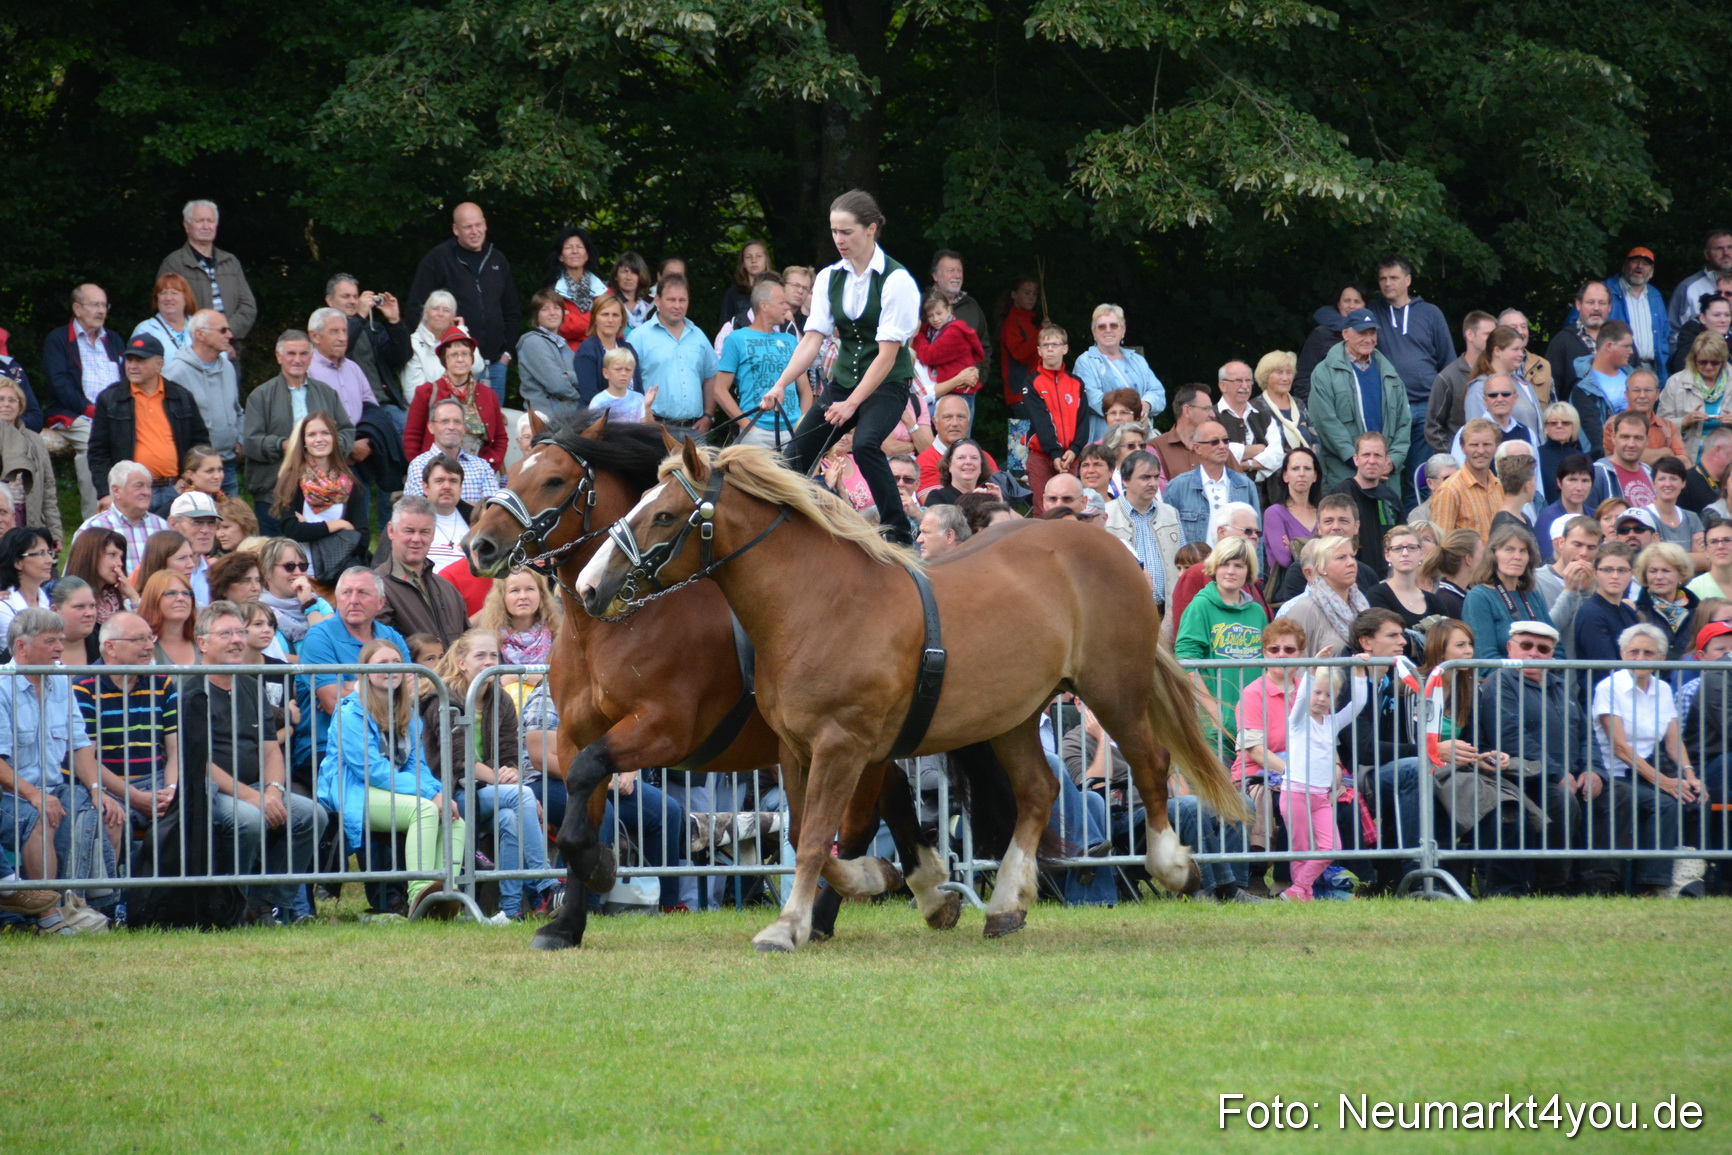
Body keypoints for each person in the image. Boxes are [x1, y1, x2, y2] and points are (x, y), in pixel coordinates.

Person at [757, 192, 921, 543]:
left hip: (887, 384)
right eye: (834, 231)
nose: (838, 239)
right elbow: (811, 340)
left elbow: (887, 356)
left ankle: (899, 535)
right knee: (793, 457)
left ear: (871, 229)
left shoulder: (897, 281)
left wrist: (852, 404)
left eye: (846, 232)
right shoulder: (829, 277)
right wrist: (781, 384)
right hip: (844, 381)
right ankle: (790, 533)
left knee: (866, 445)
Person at [189, 601, 324, 923]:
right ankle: (230, 907)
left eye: (239, 632)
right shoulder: (190, 689)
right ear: (202, 643)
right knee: (249, 819)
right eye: (226, 634)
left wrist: (273, 792)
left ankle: (265, 904)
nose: (237, 640)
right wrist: (253, 797)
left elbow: (271, 749)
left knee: (312, 815)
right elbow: (199, 761)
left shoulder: (251, 685)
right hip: (211, 791)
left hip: (257, 787)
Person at [318, 637, 462, 919]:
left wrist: (439, 793)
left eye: (396, 662)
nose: (391, 668)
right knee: (424, 809)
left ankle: (445, 895)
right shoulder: (350, 713)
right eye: (382, 663)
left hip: (393, 789)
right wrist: (428, 795)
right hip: (354, 791)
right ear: (364, 671)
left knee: (454, 819)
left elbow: (418, 766)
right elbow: (371, 770)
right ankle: (420, 893)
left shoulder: (408, 715)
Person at [0, 609, 123, 928]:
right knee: (41, 815)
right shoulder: (1, 685)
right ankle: (49, 916)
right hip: (10, 796)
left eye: (61, 640)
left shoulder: (60, 681)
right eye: (50, 641)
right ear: (22, 646)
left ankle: (99, 909)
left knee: (110, 812)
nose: (59, 647)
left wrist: (97, 790)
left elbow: (80, 745)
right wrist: (35, 795)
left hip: (54, 788)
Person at [420, 630, 554, 920]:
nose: (489, 661)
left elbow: (510, 754)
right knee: (522, 797)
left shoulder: (501, 699)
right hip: (452, 793)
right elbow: (459, 761)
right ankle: (547, 885)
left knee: (511, 817)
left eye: (493, 655)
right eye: (480, 655)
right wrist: (506, 782)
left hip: (489, 792)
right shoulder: (442, 698)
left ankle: (511, 909)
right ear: (462, 663)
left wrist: (512, 773)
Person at [1590, 624, 1700, 896]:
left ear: (1661, 658)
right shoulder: (1608, 687)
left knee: (1695, 797)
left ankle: (1695, 878)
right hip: (1613, 774)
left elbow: (1673, 741)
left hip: (1644, 773)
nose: (1640, 658)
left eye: (1648, 653)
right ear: (1622, 654)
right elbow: (1619, 748)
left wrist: (1690, 776)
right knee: (1665, 804)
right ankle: (1652, 885)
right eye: (1634, 651)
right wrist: (1664, 781)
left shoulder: (1663, 688)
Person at [75, 611, 180, 867]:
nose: (149, 647)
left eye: (150, 638)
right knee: (110, 817)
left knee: (201, 806)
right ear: (110, 647)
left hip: (158, 782)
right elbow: (87, 760)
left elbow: (176, 749)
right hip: (109, 786)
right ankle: (115, 892)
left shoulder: (162, 682)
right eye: (138, 640)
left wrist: (171, 790)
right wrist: (134, 797)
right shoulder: (84, 686)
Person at [294, 567, 409, 769]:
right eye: (346, 592)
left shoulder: (391, 637)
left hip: (388, 744)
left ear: (380, 602)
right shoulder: (319, 637)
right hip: (328, 748)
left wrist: (352, 688)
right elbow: (332, 703)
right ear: (337, 599)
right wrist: (385, 690)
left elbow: (410, 693)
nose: (353, 600)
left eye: (363, 593)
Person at [241, 330, 354, 534]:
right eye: (291, 354)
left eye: (303, 354)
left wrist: (330, 447)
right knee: (277, 551)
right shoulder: (261, 396)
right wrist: (283, 445)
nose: (297, 359)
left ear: (311, 357)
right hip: (274, 492)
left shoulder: (327, 393)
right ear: (279, 357)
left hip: (325, 495)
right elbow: (251, 442)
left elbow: (347, 430)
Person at [1277, 654, 1369, 902]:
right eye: (1317, 692)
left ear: (1334, 699)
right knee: (1300, 850)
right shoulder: (1297, 721)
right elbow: (1301, 700)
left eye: (1328, 695)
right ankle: (1303, 893)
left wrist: (1359, 669)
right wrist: (1311, 668)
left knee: (1331, 847)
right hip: (1295, 793)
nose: (1321, 699)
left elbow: (1359, 704)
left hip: (1321, 797)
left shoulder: (1332, 723)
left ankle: (1298, 888)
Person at [87, 336, 211, 518]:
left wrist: (188, 479)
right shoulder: (110, 399)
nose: (132, 366)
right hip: (130, 491)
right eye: (129, 359)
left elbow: (200, 444)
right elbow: (98, 452)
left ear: (159, 364)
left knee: (176, 537)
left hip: (175, 489)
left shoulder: (181, 396)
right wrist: (105, 493)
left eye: (140, 360)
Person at [406, 202, 520, 396]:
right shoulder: (438, 259)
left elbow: (512, 310)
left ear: (485, 224)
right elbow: (415, 309)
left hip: (495, 365)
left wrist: (507, 354)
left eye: (478, 225)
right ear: (455, 229)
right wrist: (437, 353)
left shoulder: (497, 260)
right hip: (455, 365)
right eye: (468, 227)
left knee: (492, 415)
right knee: (454, 415)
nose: (475, 231)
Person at [1175, 536, 1267, 759]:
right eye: (1224, 564)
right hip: (1213, 728)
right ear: (1214, 567)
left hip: (1252, 726)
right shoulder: (1200, 606)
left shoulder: (1257, 612)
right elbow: (1186, 663)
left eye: (1239, 565)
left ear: (1249, 571)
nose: (1231, 571)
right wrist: (1214, 712)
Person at [1368, 257, 1455, 490]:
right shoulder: (1373, 312)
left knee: (1421, 476)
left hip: (1427, 405)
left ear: (1408, 280)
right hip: (1390, 408)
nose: (1387, 283)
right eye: (1383, 278)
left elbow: (1448, 362)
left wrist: (1446, 406)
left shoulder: (1430, 313)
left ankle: (1418, 515)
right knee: (1386, 474)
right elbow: (1340, 316)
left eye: (1393, 278)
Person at [40, 284, 123, 518]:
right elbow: (59, 385)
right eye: (95, 305)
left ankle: (130, 514)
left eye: (104, 305)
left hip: (115, 414)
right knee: (92, 442)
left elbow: (127, 378)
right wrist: (92, 410)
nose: (101, 310)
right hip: (75, 414)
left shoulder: (113, 339)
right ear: (77, 309)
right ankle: (95, 519)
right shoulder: (58, 339)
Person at [1308, 307, 1412, 491]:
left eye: (1372, 333)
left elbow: (1404, 422)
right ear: (1345, 334)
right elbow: (1325, 422)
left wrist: (1392, 461)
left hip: (1386, 477)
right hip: (1344, 474)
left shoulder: (1390, 373)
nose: (1368, 339)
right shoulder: (1324, 373)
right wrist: (1356, 460)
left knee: (1388, 512)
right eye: (1361, 333)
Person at [1230, 618, 1307, 868]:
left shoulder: (1310, 692)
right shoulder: (1253, 693)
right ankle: (1284, 877)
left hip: (1300, 773)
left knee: (1345, 799)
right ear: (1265, 653)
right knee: (1294, 799)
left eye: (1289, 649)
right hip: (1256, 775)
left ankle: (1357, 876)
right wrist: (1298, 775)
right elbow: (1256, 752)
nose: (1281, 655)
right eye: (1274, 649)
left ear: (1301, 654)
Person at [270, 412, 370, 579]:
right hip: (301, 571)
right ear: (304, 441)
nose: (319, 439)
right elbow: (293, 531)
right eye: (311, 435)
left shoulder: (350, 483)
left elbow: (362, 538)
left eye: (325, 433)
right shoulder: (291, 480)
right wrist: (339, 525)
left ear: (334, 438)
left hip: (340, 572)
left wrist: (311, 529)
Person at [402, 327, 507, 473]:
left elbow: (500, 437)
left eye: (465, 354)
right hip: (436, 472)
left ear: (472, 359)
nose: (460, 359)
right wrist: (424, 471)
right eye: (453, 355)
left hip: (477, 471)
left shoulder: (488, 395)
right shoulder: (426, 393)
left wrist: (489, 466)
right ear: (444, 360)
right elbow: (412, 437)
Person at [714, 280, 804, 450]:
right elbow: (719, 390)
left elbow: (805, 389)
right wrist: (747, 426)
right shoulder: (736, 339)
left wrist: (802, 425)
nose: (787, 307)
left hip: (792, 430)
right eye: (781, 303)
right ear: (764, 306)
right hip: (756, 432)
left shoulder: (791, 340)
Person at [161, 310, 243, 495]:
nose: (230, 335)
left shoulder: (228, 368)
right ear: (200, 334)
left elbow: (237, 410)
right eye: (223, 330)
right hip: (196, 472)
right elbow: (166, 427)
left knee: (232, 514)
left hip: (227, 466)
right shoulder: (175, 374)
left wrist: (240, 439)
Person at [156, 200, 257, 343]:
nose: (206, 226)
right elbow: (168, 309)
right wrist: (206, 339)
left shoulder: (230, 262)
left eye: (210, 221)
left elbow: (248, 306)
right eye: (199, 221)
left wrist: (226, 333)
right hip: (191, 348)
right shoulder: (174, 263)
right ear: (187, 226)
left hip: (230, 346)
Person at [626, 274, 718, 429]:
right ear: (657, 301)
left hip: (694, 429)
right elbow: (626, 382)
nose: (677, 306)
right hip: (653, 426)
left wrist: (709, 415)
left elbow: (711, 376)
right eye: (671, 300)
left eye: (682, 300)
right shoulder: (638, 337)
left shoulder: (698, 336)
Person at [375, 496, 467, 645]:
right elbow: (382, 650)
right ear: (391, 531)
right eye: (409, 531)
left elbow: (466, 645)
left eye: (424, 532)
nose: (416, 539)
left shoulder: (449, 590)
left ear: (433, 535)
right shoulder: (375, 588)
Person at [1020, 324, 1088, 515]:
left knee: (1069, 510)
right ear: (1039, 351)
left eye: (1055, 344)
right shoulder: (1032, 383)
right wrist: (1055, 452)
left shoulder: (1076, 383)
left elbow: (1083, 420)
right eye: (1045, 345)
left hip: (1070, 457)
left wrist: (1075, 449)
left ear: (1065, 349)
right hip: (1041, 456)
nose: (1050, 349)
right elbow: (1040, 421)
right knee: (1043, 511)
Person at [1074, 304, 1164, 445]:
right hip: (1106, 440)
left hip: (1141, 439)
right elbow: (1093, 400)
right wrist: (1133, 413)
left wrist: (1146, 404)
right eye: (1102, 326)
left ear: (1123, 330)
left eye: (1114, 325)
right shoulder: (1085, 361)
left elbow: (1158, 392)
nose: (1108, 330)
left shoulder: (1137, 360)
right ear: (1094, 332)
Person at [1101, 450, 1181, 606]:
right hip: (1126, 610)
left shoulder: (1171, 514)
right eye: (1145, 477)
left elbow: (1182, 563)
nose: (1153, 483)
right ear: (1125, 480)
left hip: (1168, 611)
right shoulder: (1106, 516)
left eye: (1156, 477)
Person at [1163, 420, 1261, 546]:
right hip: (1195, 558)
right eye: (1214, 442)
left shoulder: (1245, 485)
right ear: (1197, 448)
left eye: (1225, 441)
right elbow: (1167, 537)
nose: (1222, 446)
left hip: (1236, 557)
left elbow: (1256, 536)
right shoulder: (1177, 487)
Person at [1461, 521, 1551, 658]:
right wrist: (1524, 671)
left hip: (1543, 671)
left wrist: (1552, 669)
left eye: (1523, 551)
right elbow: (1485, 657)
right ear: (1493, 555)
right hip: (1503, 672)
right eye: (1509, 549)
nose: (1517, 557)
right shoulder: (1479, 597)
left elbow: (1556, 646)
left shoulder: (1533, 595)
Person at [322, 274, 411, 410]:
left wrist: (395, 321)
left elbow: (400, 359)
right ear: (330, 301)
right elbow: (336, 352)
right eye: (346, 296)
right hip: (348, 407)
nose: (352, 301)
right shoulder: (322, 331)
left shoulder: (372, 328)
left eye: (355, 296)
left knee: (407, 424)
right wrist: (359, 316)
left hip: (383, 403)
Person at [1326, 432, 1401, 578]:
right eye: (1366, 455)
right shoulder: (1339, 495)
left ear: (1386, 460)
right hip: (1350, 578)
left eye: (1377, 455)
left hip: (1388, 580)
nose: (1371, 461)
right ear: (1356, 459)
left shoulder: (1391, 498)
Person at [1423, 310, 1498, 454]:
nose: (1494, 340)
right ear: (1470, 335)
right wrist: (1455, 455)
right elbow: (1433, 427)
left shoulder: (1499, 374)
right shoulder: (1448, 377)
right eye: (1488, 335)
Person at [78, 460, 173, 572]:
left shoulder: (162, 526)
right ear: (116, 491)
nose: (147, 492)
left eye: (149, 486)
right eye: (139, 486)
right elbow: (75, 576)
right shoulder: (93, 528)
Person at [1283, 536, 1369, 657]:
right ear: (1321, 568)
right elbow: (1293, 662)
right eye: (1341, 557)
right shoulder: (1305, 609)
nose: (1351, 563)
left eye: (1352, 556)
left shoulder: (1361, 604)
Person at [404, 397, 499, 504]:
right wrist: (476, 508)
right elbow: (420, 509)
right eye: (444, 421)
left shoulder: (482, 467)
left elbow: (493, 509)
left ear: (464, 428)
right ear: (431, 427)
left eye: (457, 422)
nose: (451, 427)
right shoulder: (419, 465)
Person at [0, 377, 60, 546]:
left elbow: (48, 490)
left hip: (28, 520)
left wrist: (54, 532)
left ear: (20, 406)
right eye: (1, 399)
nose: (6, 404)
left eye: (12, 400)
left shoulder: (35, 440)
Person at [1658, 332, 1730, 464]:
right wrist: (1684, 421)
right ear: (1694, 359)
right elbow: (1660, 426)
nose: (1708, 367)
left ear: (1723, 361)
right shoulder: (1675, 383)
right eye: (1703, 362)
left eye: (1714, 362)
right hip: (1687, 460)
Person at [1461, 324, 1543, 434]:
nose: (1521, 354)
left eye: (1522, 349)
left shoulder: (1523, 384)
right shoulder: (1479, 388)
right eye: (1515, 349)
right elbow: (1476, 433)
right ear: (1497, 351)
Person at [1427, 418, 1499, 541]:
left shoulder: (1499, 487)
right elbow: (1441, 544)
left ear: (1496, 447)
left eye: (1486, 444)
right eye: (1474, 445)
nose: (1481, 451)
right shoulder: (1449, 490)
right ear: (1463, 448)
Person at [1366, 525, 1442, 639]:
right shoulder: (1377, 594)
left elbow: (1446, 639)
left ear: (1421, 553)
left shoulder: (1434, 601)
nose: (1405, 553)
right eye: (1397, 548)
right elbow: (1386, 638)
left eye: (1412, 547)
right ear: (1387, 555)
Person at [911, 288, 984, 407]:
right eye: (930, 315)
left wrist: (916, 335)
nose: (935, 319)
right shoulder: (933, 330)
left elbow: (928, 356)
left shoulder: (954, 332)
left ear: (949, 310)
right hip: (950, 389)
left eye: (939, 313)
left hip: (960, 392)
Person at [257, 538, 330, 656]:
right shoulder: (257, 610)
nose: (298, 572)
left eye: (303, 566)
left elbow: (327, 645)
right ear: (266, 571)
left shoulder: (319, 604)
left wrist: (309, 604)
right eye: (289, 566)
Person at [1249, 350, 1318, 474]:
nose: (1285, 378)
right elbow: (1256, 449)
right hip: (1272, 479)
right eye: (1279, 373)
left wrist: (1310, 457)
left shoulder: (1299, 404)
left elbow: (1315, 440)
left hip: (1305, 476)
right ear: (1265, 376)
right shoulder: (1255, 408)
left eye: (1289, 372)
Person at [1215, 360, 1285, 482]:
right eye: (1238, 381)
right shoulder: (1211, 416)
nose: (1245, 386)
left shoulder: (1264, 417)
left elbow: (1278, 456)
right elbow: (1214, 451)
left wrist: (1246, 465)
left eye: (1248, 381)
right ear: (1222, 385)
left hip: (1263, 493)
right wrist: (1256, 450)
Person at [517, 288, 585, 415]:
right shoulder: (533, 342)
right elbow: (557, 385)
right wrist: (581, 397)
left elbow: (583, 375)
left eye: (556, 308)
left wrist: (568, 376)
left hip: (568, 415)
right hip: (545, 417)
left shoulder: (562, 344)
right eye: (545, 309)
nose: (552, 313)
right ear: (536, 316)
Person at [479, 568, 561, 673]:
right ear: (502, 597)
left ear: (541, 594)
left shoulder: (558, 636)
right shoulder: (491, 640)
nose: (523, 596)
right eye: (515, 590)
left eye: (530, 589)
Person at [915, 393, 998, 496]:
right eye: (947, 417)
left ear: (968, 422)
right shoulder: (925, 461)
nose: (955, 423)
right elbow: (935, 503)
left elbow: (998, 498)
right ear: (935, 423)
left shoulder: (984, 458)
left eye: (961, 417)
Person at [1262, 446, 1321, 590]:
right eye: (1295, 469)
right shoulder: (1274, 513)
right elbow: (1285, 559)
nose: (1301, 474)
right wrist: (1321, 546)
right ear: (1285, 476)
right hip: (1290, 593)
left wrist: (1295, 547)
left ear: (1315, 476)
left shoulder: (1324, 513)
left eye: (1307, 468)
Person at [1294, 283, 1365, 402]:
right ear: (1338, 304)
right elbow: (1303, 379)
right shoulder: (1321, 335)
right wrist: (1314, 408)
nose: (1351, 306)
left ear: (1365, 306)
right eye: (1346, 301)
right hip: (1326, 407)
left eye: (1357, 302)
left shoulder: (1372, 337)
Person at [543, 226, 610, 350]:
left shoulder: (604, 290)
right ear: (560, 256)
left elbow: (612, 324)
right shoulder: (552, 292)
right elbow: (561, 327)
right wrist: (596, 320)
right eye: (568, 247)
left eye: (579, 247)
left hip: (602, 354)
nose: (575, 251)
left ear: (587, 255)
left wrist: (572, 320)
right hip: (567, 355)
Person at [1546, 280, 1612, 404]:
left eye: (1602, 303)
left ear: (1609, 307)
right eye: (1590, 302)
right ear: (1578, 305)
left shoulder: (1620, 339)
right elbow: (1552, 391)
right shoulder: (1562, 341)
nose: (1596, 308)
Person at [570, 293, 642, 408]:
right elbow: (589, 396)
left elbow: (638, 390)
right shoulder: (587, 350)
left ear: (622, 320)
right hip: (599, 416)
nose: (610, 320)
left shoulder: (628, 349)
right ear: (594, 319)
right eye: (605, 314)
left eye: (615, 315)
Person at [1571, 320, 1636, 442]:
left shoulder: (1636, 378)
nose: (1631, 351)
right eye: (1626, 346)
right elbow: (1591, 443)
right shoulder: (1583, 387)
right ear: (1609, 346)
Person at [1634, 541, 1699, 660]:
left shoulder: (1699, 611)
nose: (1659, 577)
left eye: (1666, 570)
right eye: (1653, 571)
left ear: (1681, 574)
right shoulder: (1635, 611)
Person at [415, 456, 480, 574]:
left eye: (453, 481)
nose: (447, 486)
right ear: (426, 488)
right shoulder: (408, 520)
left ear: (460, 488)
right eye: (439, 481)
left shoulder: (477, 521)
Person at [66, 528, 137, 631]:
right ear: (90, 555)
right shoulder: (67, 599)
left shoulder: (117, 600)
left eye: (121, 557)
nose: (120, 563)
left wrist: (133, 597)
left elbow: (144, 633)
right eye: (112, 555)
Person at [1590, 410, 1658, 510]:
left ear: (1647, 440)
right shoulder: (1597, 474)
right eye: (1625, 437)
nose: (1631, 444)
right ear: (1613, 437)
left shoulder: (1650, 473)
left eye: (1638, 438)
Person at [0, 527, 55, 647]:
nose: (50, 560)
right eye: (41, 553)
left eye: (49, 553)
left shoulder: (50, 602)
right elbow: (20, 650)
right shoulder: (4, 607)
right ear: (18, 562)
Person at [1669, 228, 1732, 330]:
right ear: (1706, 254)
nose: (1726, 253)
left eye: (1730, 247)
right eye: (1719, 249)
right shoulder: (1688, 288)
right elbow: (1674, 331)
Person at [1643, 457, 1706, 560]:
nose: (1667, 484)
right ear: (1653, 483)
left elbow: (1704, 559)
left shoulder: (1692, 518)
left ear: (1683, 483)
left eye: (1673, 479)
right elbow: (1650, 559)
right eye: (1662, 479)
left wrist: (1666, 557)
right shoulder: (1644, 517)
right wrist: (1691, 557)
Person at [1536, 403, 1592, 508]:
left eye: (1565, 423)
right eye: (1553, 423)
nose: (1559, 426)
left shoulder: (1584, 458)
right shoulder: (1536, 455)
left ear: (1573, 427)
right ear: (1546, 427)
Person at [1419, 528, 1483, 619]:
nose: (1485, 559)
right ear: (1469, 559)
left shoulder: (1465, 594)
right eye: (1482, 553)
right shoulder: (1448, 602)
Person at [132, 272, 198, 358]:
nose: (168, 298)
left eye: (174, 293)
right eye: (163, 293)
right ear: (157, 298)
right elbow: (135, 363)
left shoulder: (200, 328)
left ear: (186, 298)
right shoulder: (145, 330)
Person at [1671, 291, 1732, 377]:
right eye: (1716, 315)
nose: (1723, 320)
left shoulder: (1729, 341)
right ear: (1703, 318)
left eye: (1727, 315)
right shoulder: (1689, 347)